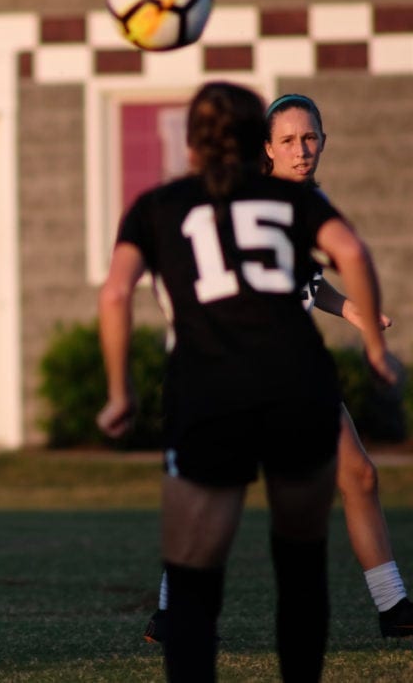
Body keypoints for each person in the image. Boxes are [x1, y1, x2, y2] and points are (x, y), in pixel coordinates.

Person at [97, 81, 396, 681]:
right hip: (290, 376)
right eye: (287, 139)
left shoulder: (160, 203)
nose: (301, 149)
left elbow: (115, 292)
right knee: (299, 561)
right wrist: (373, 340)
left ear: (189, 145)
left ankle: (177, 619)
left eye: (309, 138)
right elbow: (350, 256)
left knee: (204, 530)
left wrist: (119, 391)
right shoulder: (292, 204)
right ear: (258, 146)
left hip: (209, 381)